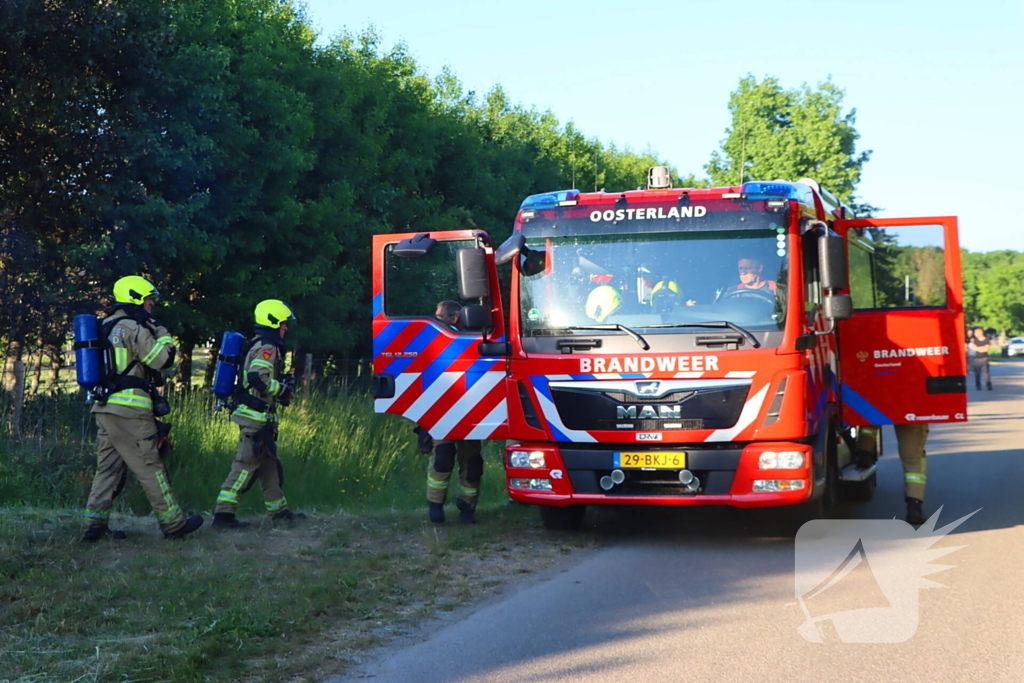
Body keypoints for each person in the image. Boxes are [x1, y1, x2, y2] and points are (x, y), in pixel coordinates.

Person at [81, 276, 204, 541]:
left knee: (108, 469)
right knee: (151, 465)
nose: (151, 304)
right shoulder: (133, 327)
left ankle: (94, 527)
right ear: (135, 298)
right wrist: (161, 332)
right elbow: (162, 359)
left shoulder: (103, 325)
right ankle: (174, 525)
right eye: (148, 298)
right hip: (131, 410)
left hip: (104, 408)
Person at [212, 300, 306, 529]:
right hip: (255, 418)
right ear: (273, 323)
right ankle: (223, 516)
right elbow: (258, 378)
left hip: (261, 418)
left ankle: (280, 512)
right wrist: (284, 391)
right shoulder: (267, 347)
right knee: (245, 465)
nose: (285, 328)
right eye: (283, 324)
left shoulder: (261, 344)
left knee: (269, 466)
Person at [424, 301, 484, 524]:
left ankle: (467, 509)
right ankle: (435, 508)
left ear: (454, 319)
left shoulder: (473, 341)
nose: (435, 318)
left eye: (439, 315)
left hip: (470, 413)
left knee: (472, 463)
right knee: (442, 459)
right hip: (442, 414)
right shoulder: (431, 342)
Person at [855, 423, 930, 526]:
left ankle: (864, 452)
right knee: (912, 459)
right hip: (909, 410)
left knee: (869, 418)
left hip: (878, 407)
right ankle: (914, 508)